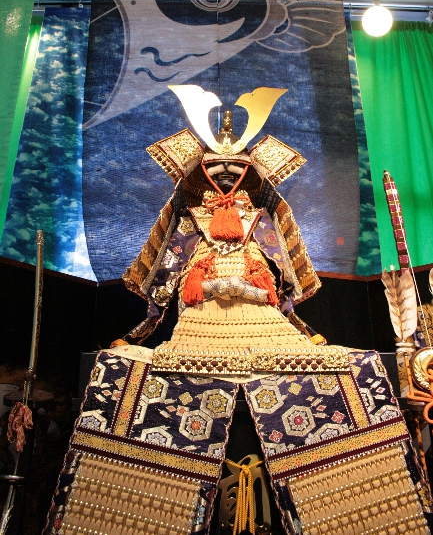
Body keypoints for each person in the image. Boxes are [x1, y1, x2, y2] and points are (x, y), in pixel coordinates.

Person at [45, 87, 432, 535]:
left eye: (235, 168)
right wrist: (150, 325)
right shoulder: (189, 219)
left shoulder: (262, 220)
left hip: (264, 326)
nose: (226, 174)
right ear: (201, 171)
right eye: (216, 167)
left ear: (250, 172)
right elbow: (170, 280)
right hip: (200, 326)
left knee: (346, 365)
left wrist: (252, 293)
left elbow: (278, 288)